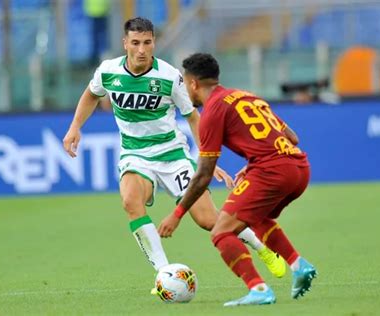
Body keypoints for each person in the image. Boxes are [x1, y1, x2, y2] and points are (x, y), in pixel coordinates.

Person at [62, 17, 286, 291]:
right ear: (125, 44)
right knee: (131, 202)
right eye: (135, 43)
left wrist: (208, 157)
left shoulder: (169, 76)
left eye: (147, 42)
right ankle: (164, 274)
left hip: (173, 156)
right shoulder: (108, 71)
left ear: (154, 42)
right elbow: (91, 94)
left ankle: (261, 247)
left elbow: (192, 117)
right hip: (135, 155)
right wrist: (75, 127)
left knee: (208, 220)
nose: (142, 49)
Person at [158, 53, 317, 306]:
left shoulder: (212, 111)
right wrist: (254, 161)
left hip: (271, 172)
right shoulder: (247, 96)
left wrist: (176, 214)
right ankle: (299, 265)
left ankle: (259, 289)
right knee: (257, 217)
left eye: (184, 84)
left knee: (221, 232)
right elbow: (293, 137)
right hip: (299, 167)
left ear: (193, 84)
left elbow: (203, 175)